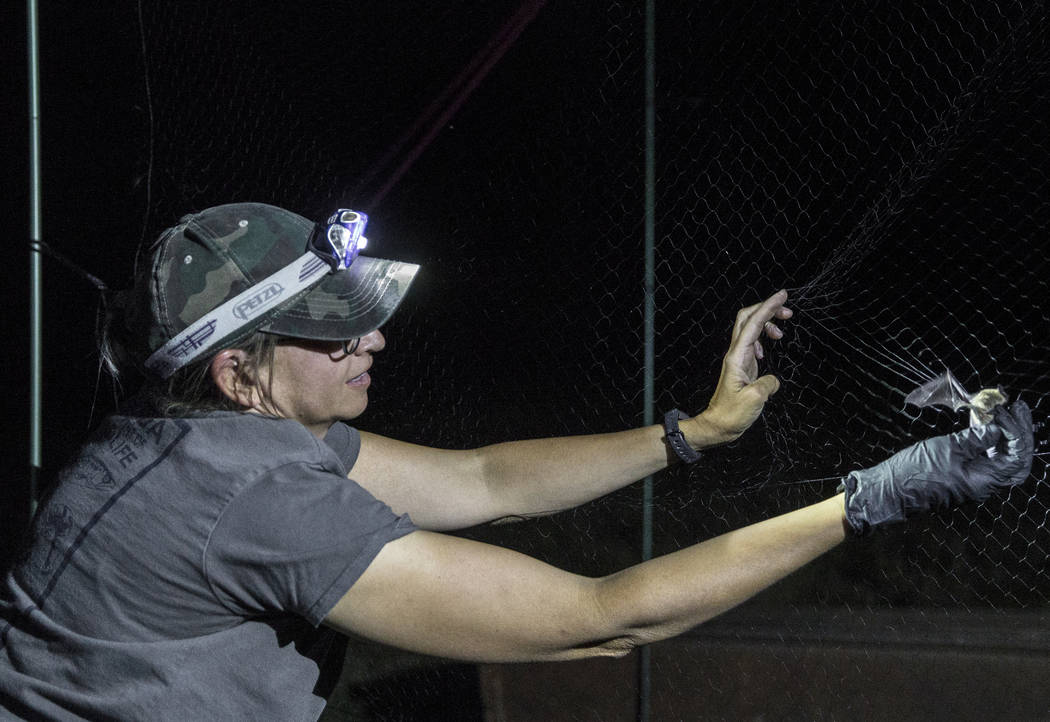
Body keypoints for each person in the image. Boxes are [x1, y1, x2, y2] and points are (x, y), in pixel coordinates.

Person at [0, 203, 1033, 720]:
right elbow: (602, 618)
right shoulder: (249, 494)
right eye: (334, 334)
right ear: (238, 372)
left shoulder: (196, 430)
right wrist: (876, 495)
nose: (374, 343)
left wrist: (694, 434)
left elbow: (481, 482)